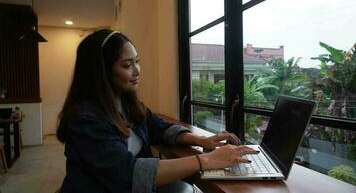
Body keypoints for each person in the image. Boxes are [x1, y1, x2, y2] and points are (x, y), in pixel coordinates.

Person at [56, 29, 258, 193]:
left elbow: (158, 127)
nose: (137, 71)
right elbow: (126, 174)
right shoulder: (85, 119)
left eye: (137, 61)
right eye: (127, 65)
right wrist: (206, 160)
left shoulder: (126, 104)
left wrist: (201, 140)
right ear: (101, 72)